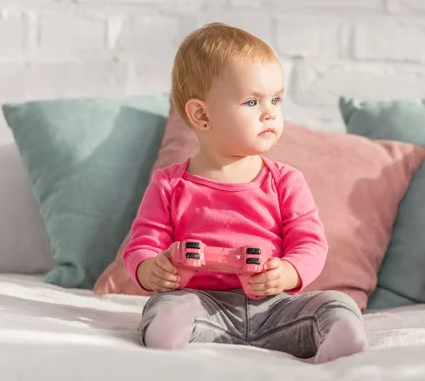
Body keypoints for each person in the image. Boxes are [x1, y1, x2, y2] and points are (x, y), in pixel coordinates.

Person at [123, 22, 367, 363]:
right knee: (166, 305)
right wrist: (153, 269)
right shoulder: (169, 184)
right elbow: (143, 244)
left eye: (276, 100)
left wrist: (288, 272)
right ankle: (169, 330)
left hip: (276, 308)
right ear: (202, 115)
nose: (270, 113)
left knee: (336, 303)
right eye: (252, 101)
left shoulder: (285, 181)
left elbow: (310, 243)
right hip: (202, 305)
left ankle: (339, 335)